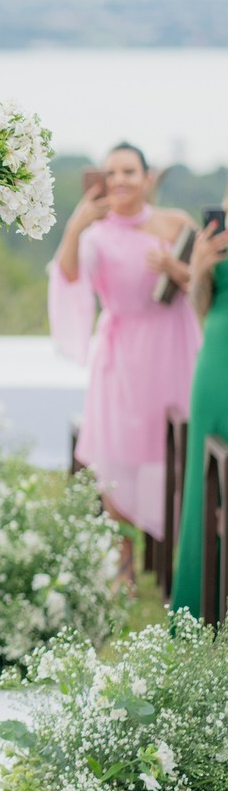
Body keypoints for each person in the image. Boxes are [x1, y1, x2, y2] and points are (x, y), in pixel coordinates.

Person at [49, 141, 202, 585]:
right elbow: (69, 276)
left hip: (174, 345)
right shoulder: (95, 234)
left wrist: (176, 268)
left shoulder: (176, 223)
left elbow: (208, 279)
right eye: (111, 172)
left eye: (129, 172)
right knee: (114, 452)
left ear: (147, 177)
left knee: (173, 446)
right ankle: (125, 558)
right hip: (120, 354)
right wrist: (76, 224)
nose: (119, 181)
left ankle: (178, 554)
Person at [171, 197, 228, 617]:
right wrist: (201, 271)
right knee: (207, 482)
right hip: (217, 364)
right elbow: (202, 307)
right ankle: (199, 606)